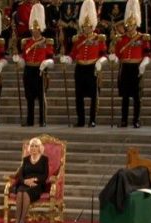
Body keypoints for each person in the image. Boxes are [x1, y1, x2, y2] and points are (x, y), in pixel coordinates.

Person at [60, 0, 107, 128]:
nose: (86, 28)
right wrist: (67, 59)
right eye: (85, 26)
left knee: (94, 96)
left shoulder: (99, 38)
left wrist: (100, 62)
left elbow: (104, 54)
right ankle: (81, 120)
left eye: (89, 26)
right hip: (80, 68)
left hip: (92, 68)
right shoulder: (78, 39)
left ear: (92, 26)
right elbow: (73, 53)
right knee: (78, 95)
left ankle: (92, 119)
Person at [109, 0, 151, 128]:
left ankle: (136, 120)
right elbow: (117, 53)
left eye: (132, 25)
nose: (129, 27)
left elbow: (147, 53)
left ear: (136, 25)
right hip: (125, 67)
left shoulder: (142, 38)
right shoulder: (121, 38)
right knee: (125, 96)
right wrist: (114, 58)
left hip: (136, 68)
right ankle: (124, 120)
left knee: (137, 97)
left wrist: (144, 63)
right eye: (128, 25)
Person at [13, 3, 54, 127]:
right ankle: (30, 120)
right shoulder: (27, 42)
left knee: (41, 97)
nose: (34, 31)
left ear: (40, 29)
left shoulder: (46, 42)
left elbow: (51, 59)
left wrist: (45, 63)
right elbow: (24, 57)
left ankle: (42, 120)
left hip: (40, 70)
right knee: (29, 97)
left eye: (37, 29)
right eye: (33, 29)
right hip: (29, 69)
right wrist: (18, 60)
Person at [12, 138, 49, 223]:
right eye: (32, 146)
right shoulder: (26, 159)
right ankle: (17, 219)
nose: (33, 148)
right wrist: (25, 181)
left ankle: (22, 220)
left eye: (36, 146)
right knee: (20, 192)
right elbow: (20, 174)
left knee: (25, 193)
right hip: (24, 183)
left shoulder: (44, 159)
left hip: (37, 184)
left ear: (40, 148)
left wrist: (34, 180)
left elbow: (45, 175)